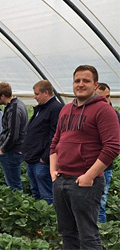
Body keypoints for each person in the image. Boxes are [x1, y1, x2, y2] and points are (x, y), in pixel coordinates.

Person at [50, 65, 120, 249]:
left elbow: (112, 147)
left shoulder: (104, 110)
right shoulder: (65, 110)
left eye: (86, 81)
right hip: (61, 180)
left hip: (85, 184)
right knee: (67, 234)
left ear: (95, 85)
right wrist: (52, 171)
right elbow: (55, 142)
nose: (80, 84)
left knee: (88, 236)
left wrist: (89, 176)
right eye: (77, 81)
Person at [23, 80, 63, 204]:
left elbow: (55, 136)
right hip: (32, 158)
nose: (35, 97)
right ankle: (39, 219)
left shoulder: (55, 108)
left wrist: (45, 157)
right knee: (35, 191)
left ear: (46, 93)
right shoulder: (41, 108)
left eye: (37, 94)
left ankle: (50, 221)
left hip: (42, 161)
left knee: (46, 194)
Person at [0, 82, 28, 190]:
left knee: (13, 185)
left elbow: (13, 134)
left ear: (3, 96)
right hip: (16, 149)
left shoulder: (14, 108)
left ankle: (16, 205)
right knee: (14, 182)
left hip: (12, 151)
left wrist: (3, 148)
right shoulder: (17, 104)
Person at [96, 82, 120, 223]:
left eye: (108, 96)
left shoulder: (114, 116)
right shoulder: (90, 113)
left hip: (104, 167)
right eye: (101, 97)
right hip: (86, 166)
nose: (105, 100)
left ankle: (102, 235)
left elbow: (113, 146)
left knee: (100, 203)